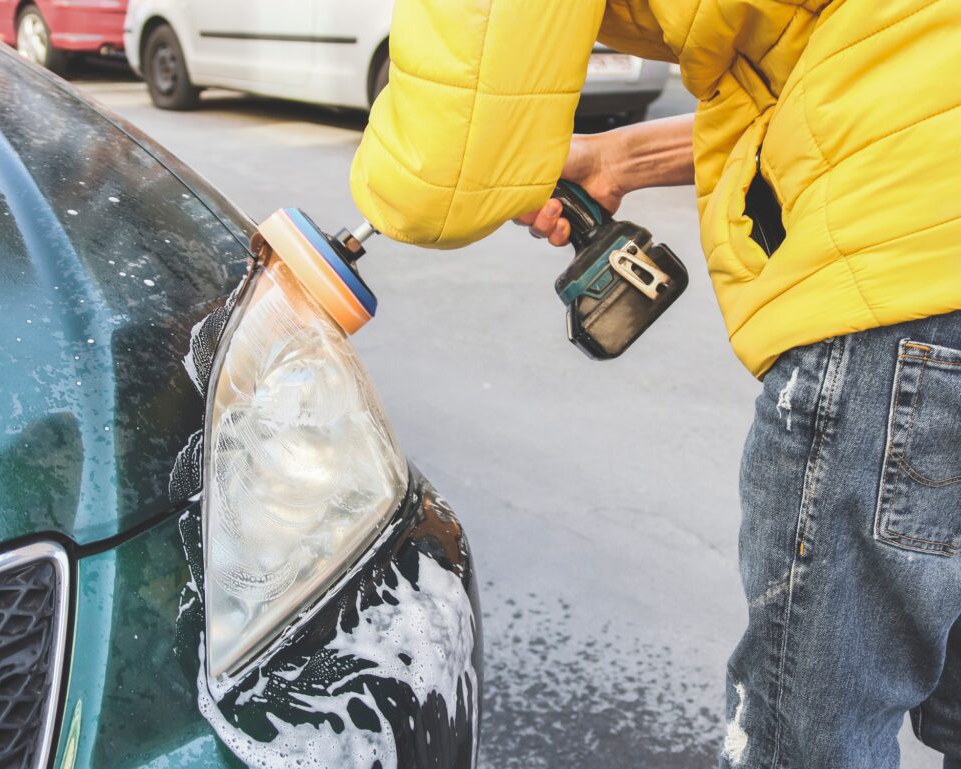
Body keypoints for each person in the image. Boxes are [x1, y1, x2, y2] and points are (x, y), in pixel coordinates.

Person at [348, 1, 961, 768]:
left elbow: (446, 164)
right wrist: (621, 160)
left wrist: (373, 210)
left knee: (806, 736)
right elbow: (870, 67)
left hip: (902, 287)